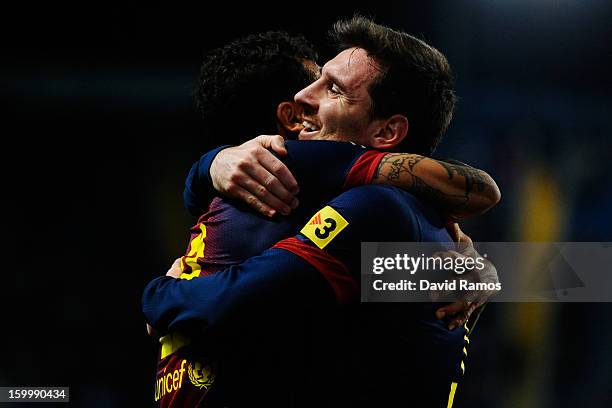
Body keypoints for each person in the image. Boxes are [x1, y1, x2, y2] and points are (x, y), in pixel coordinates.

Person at [144, 18, 499, 407]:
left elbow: (235, 302)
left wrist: (160, 296)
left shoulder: (373, 207)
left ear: (387, 134)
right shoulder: (408, 229)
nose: (304, 97)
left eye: (333, 88)